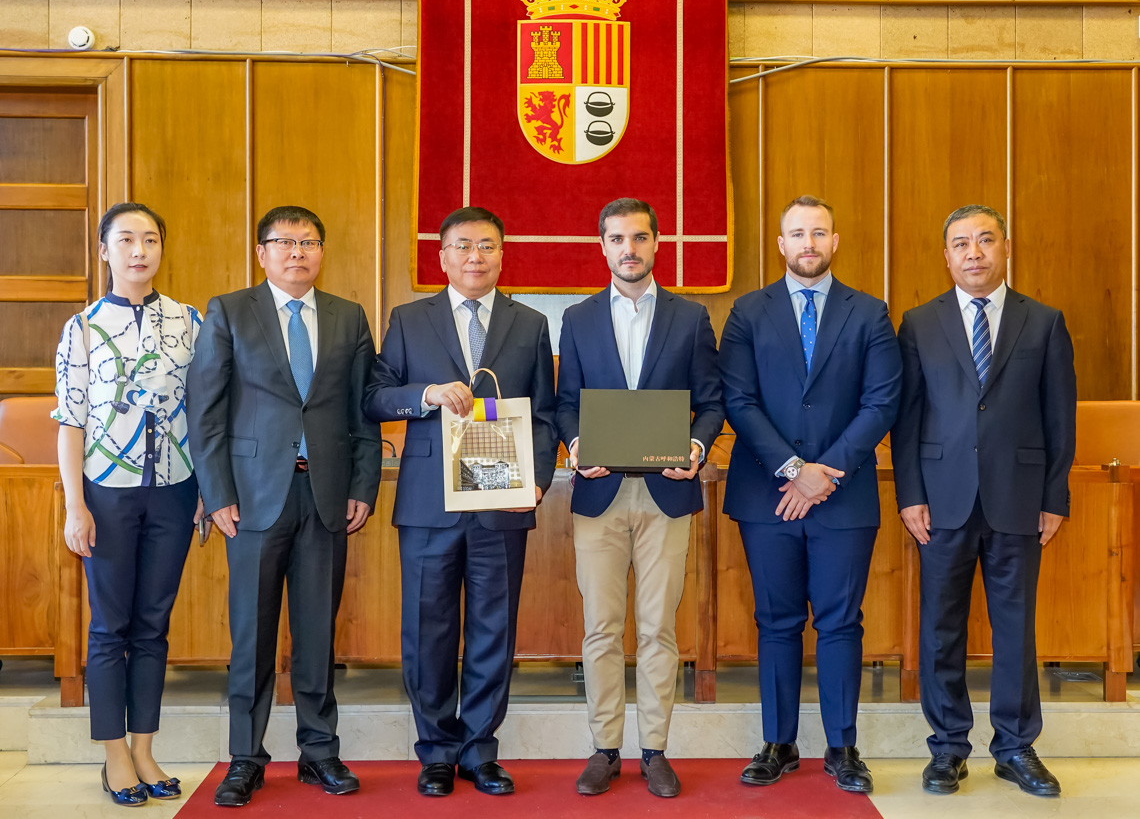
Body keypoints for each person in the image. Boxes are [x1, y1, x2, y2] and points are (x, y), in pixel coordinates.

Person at [187, 205, 382, 807]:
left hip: (324, 493)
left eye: (309, 242)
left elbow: (363, 412)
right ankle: (245, 757)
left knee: (318, 634)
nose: (298, 252)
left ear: (323, 252)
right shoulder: (230, 310)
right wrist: (216, 493)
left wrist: (363, 485)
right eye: (285, 242)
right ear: (261, 252)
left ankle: (319, 753)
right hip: (250, 499)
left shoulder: (348, 318)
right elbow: (206, 411)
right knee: (251, 635)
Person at [363, 206, 558, 797]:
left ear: (504, 254)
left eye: (488, 246)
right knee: (428, 629)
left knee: (493, 627)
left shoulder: (529, 324)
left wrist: (538, 479)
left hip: (503, 499)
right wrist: (422, 394)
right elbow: (373, 397)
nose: (476, 256)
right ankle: (437, 750)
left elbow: (545, 414)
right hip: (428, 502)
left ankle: (480, 750)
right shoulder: (408, 318)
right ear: (442, 256)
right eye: (463, 246)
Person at [719, 195, 901, 795]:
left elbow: (882, 403)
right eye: (797, 234)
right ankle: (779, 742)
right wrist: (794, 468)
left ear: (835, 240)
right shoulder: (747, 312)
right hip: (766, 494)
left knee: (841, 622)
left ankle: (843, 747)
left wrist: (826, 471)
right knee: (775, 621)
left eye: (818, 233)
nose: (808, 244)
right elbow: (738, 401)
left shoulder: (870, 313)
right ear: (780, 244)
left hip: (843, 498)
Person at [893, 204, 1076, 798]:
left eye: (985, 241)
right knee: (940, 629)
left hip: (1019, 500)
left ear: (1004, 247)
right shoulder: (919, 324)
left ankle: (1016, 747)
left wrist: (1054, 495)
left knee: (1015, 629)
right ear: (945, 256)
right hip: (940, 502)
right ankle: (947, 748)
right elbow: (907, 417)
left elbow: (1059, 419)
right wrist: (910, 493)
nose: (974, 252)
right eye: (960, 244)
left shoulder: (1044, 322)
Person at [556, 198, 723, 798]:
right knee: (601, 629)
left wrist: (696, 450)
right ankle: (605, 748)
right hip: (598, 494)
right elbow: (565, 403)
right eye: (617, 238)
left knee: (658, 629)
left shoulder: (691, 317)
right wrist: (575, 444)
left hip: (666, 495)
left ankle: (654, 750)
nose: (629, 248)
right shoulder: (576, 319)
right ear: (602, 246)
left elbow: (711, 401)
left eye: (640, 238)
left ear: (657, 244)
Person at [53, 202, 202, 806]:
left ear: (163, 248)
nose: (139, 250)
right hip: (106, 495)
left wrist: (204, 494)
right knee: (110, 625)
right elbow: (70, 423)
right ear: (104, 251)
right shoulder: (82, 327)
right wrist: (74, 506)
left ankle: (144, 748)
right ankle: (115, 755)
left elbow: (203, 412)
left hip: (175, 491)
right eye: (126, 240)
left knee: (153, 626)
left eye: (150, 239)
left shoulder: (190, 321)